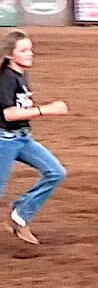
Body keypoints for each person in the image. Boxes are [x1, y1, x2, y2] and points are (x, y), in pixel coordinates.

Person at [1, 29, 69, 245]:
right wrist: (46, 110)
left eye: (30, 49)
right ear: (11, 55)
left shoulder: (21, 75)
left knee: (56, 172)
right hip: (4, 140)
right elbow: (9, 114)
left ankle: (20, 215)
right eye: (24, 50)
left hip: (21, 138)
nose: (30, 54)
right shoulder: (6, 79)